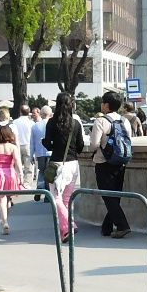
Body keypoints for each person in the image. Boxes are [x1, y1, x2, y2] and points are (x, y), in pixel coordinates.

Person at [89, 89, 132, 239]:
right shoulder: (124, 120)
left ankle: (122, 225)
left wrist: (94, 149)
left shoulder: (101, 121)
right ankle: (107, 227)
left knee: (107, 195)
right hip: (120, 161)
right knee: (115, 195)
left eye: (103, 103)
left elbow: (94, 144)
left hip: (103, 162)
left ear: (106, 105)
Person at [42, 92, 82, 241]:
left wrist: (46, 143)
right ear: (71, 105)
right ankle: (64, 231)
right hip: (73, 164)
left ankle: (70, 225)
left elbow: (47, 143)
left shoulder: (52, 123)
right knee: (66, 199)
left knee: (55, 198)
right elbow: (80, 146)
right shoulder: (75, 123)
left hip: (57, 164)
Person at [11, 104, 36, 186]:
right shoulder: (32, 123)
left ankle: (17, 181)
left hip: (16, 145)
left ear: (20, 112)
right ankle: (27, 183)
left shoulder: (14, 122)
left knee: (17, 165)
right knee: (28, 166)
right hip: (28, 145)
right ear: (29, 112)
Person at [28, 105, 50, 189]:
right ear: (50, 114)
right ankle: (48, 193)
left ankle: (40, 188)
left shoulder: (35, 126)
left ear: (40, 114)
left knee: (41, 171)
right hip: (50, 152)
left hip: (39, 153)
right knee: (50, 173)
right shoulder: (53, 124)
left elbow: (32, 143)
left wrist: (31, 155)